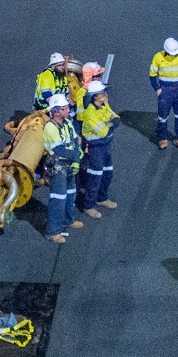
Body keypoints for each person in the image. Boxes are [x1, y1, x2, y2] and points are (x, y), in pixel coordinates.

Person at [41, 94, 84, 243]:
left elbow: (75, 141)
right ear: (57, 111)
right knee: (58, 199)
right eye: (65, 108)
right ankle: (52, 231)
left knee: (70, 194)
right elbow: (61, 150)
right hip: (58, 166)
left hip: (70, 164)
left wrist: (76, 157)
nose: (68, 109)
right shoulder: (50, 128)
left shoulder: (67, 123)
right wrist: (77, 158)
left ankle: (67, 219)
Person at [79, 81, 119, 217]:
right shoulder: (90, 113)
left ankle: (102, 198)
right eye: (103, 93)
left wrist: (110, 123)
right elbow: (105, 131)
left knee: (108, 174)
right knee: (95, 177)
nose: (106, 95)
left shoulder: (104, 105)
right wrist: (110, 124)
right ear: (96, 96)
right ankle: (88, 206)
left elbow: (116, 118)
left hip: (105, 146)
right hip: (96, 148)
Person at [150, 37, 178, 149]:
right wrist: (157, 89)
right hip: (165, 90)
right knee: (162, 116)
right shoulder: (158, 57)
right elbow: (152, 75)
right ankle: (162, 138)